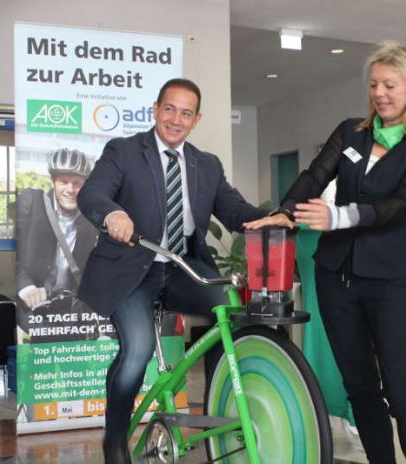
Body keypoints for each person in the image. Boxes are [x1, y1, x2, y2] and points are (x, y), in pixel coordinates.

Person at [246, 40, 406, 463]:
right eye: (374, 84)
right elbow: (315, 174)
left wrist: (339, 217)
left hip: (390, 280)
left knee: (401, 391)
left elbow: (405, 203)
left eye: (390, 84)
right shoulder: (350, 131)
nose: (380, 93)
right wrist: (285, 212)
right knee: (360, 388)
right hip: (335, 276)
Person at [77, 78, 268, 464]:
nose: (176, 120)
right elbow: (92, 193)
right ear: (155, 109)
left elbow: (235, 212)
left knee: (232, 316)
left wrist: (271, 217)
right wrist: (113, 213)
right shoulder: (125, 151)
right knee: (137, 351)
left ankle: (223, 405)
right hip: (132, 269)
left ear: (196, 119)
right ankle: (114, 439)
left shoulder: (207, 165)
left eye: (186, 113)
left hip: (182, 268)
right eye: (170, 109)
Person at [16, 147, 100, 342]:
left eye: (77, 183)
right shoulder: (32, 204)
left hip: (72, 308)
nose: (70, 190)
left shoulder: (92, 217)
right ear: (52, 181)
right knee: (42, 363)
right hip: (36, 306)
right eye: (63, 182)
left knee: (75, 364)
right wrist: (28, 289)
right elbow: (15, 256)